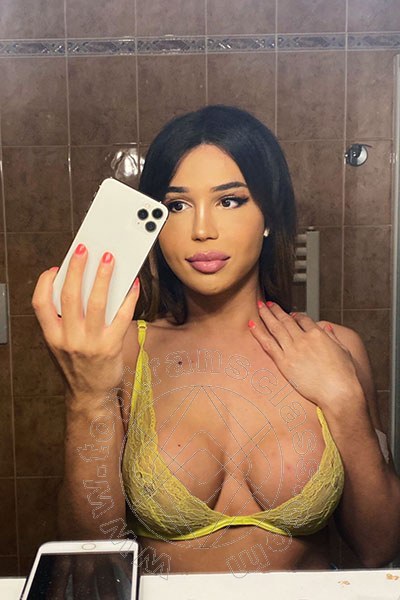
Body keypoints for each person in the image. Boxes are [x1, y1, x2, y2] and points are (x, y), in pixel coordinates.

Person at [33, 105, 400, 575]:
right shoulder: (120, 351)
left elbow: (379, 547)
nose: (202, 230)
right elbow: (89, 558)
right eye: (177, 206)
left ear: (269, 215)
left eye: (230, 200)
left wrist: (346, 402)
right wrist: (87, 398)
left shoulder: (335, 349)